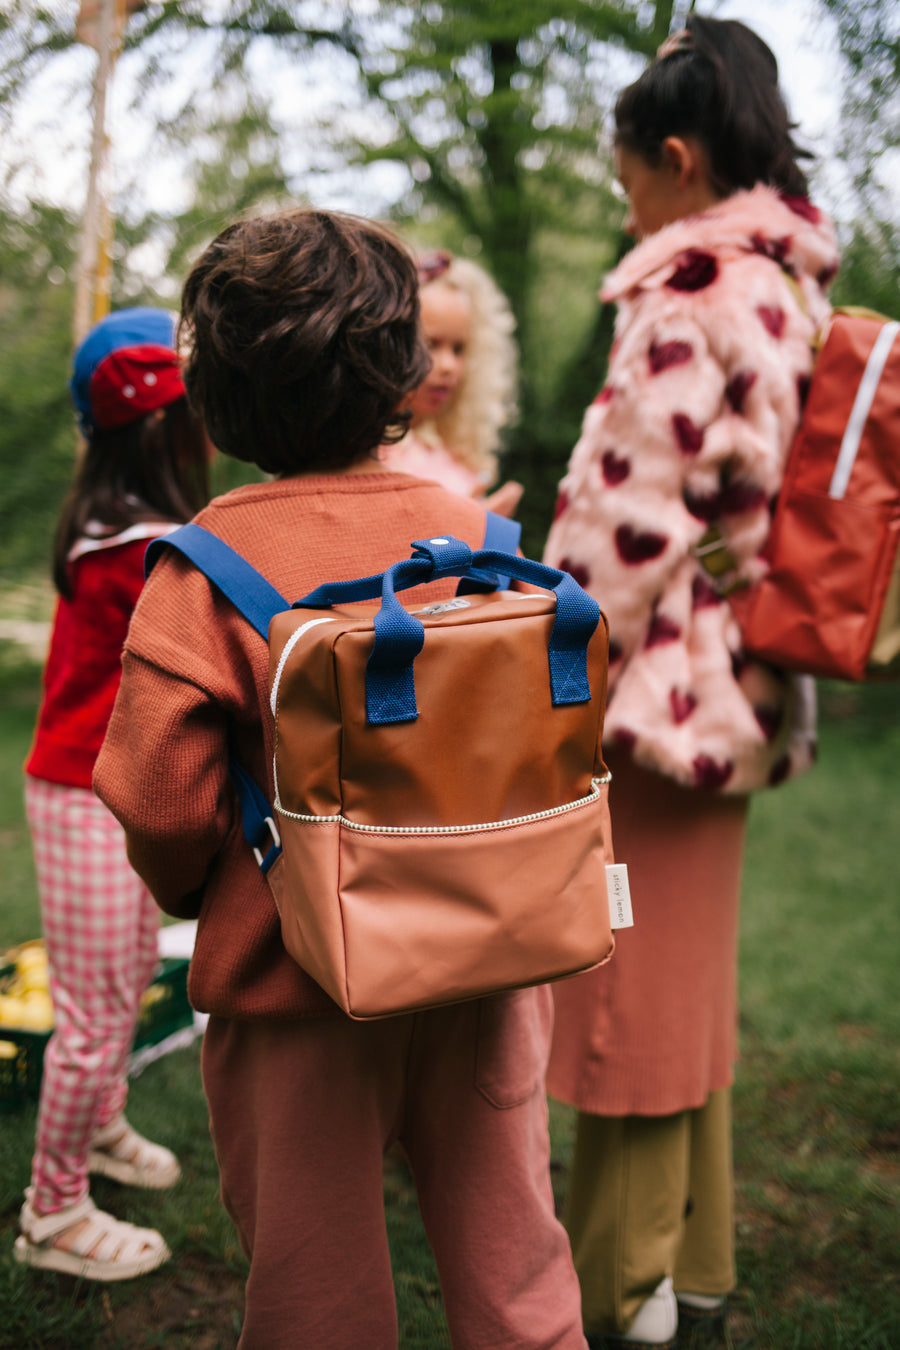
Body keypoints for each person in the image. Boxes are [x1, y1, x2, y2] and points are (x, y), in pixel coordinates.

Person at [92, 209, 589, 1349]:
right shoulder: (485, 534)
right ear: (407, 376)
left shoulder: (202, 571)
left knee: (317, 1297)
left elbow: (164, 804)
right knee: (515, 1262)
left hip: (293, 990)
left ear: (214, 392)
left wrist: (208, 891)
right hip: (489, 966)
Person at [542, 17, 839, 1349]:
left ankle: (619, 1302)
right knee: (686, 990)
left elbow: (626, 521)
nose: (623, 201)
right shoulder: (787, 287)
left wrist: (542, 663)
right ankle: (699, 1278)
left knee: (620, 1004)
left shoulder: (684, 292)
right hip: (743, 690)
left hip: (654, 703)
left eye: (625, 176)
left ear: (674, 155)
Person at [15, 308, 211, 1281]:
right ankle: (50, 1212)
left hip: (108, 793)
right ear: (160, 425)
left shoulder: (132, 533)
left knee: (124, 978)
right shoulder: (134, 549)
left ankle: (96, 1132)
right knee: (92, 1019)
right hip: (84, 796)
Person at [380, 248, 523, 515]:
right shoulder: (369, 458)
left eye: (459, 349)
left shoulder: (453, 455)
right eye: (430, 344)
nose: (449, 366)